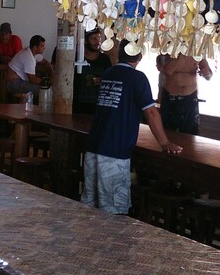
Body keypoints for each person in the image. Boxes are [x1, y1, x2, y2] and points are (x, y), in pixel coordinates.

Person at [82, 40, 182, 214]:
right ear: (140, 57)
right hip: (114, 150)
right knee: (112, 210)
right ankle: (109, 241)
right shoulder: (138, 78)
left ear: (120, 54)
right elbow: (150, 112)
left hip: (94, 146)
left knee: (90, 205)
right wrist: (165, 142)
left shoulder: (108, 73)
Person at [156, 53, 212, 135]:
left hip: (190, 98)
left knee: (192, 132)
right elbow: (167, 70)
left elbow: (209, 76)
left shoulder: (197, 53)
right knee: (168, 131)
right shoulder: (169, 50)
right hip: (171, 96)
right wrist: (181, 54)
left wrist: (206, 73)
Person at [73, 28, 113, 114]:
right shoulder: (76, 58)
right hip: (77, 106)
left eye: (99, 38)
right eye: (93, 38)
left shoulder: (105, 59)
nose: (97, 41)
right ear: (86, 41)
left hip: (97, 106)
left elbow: (110, 80)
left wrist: (102, 80)